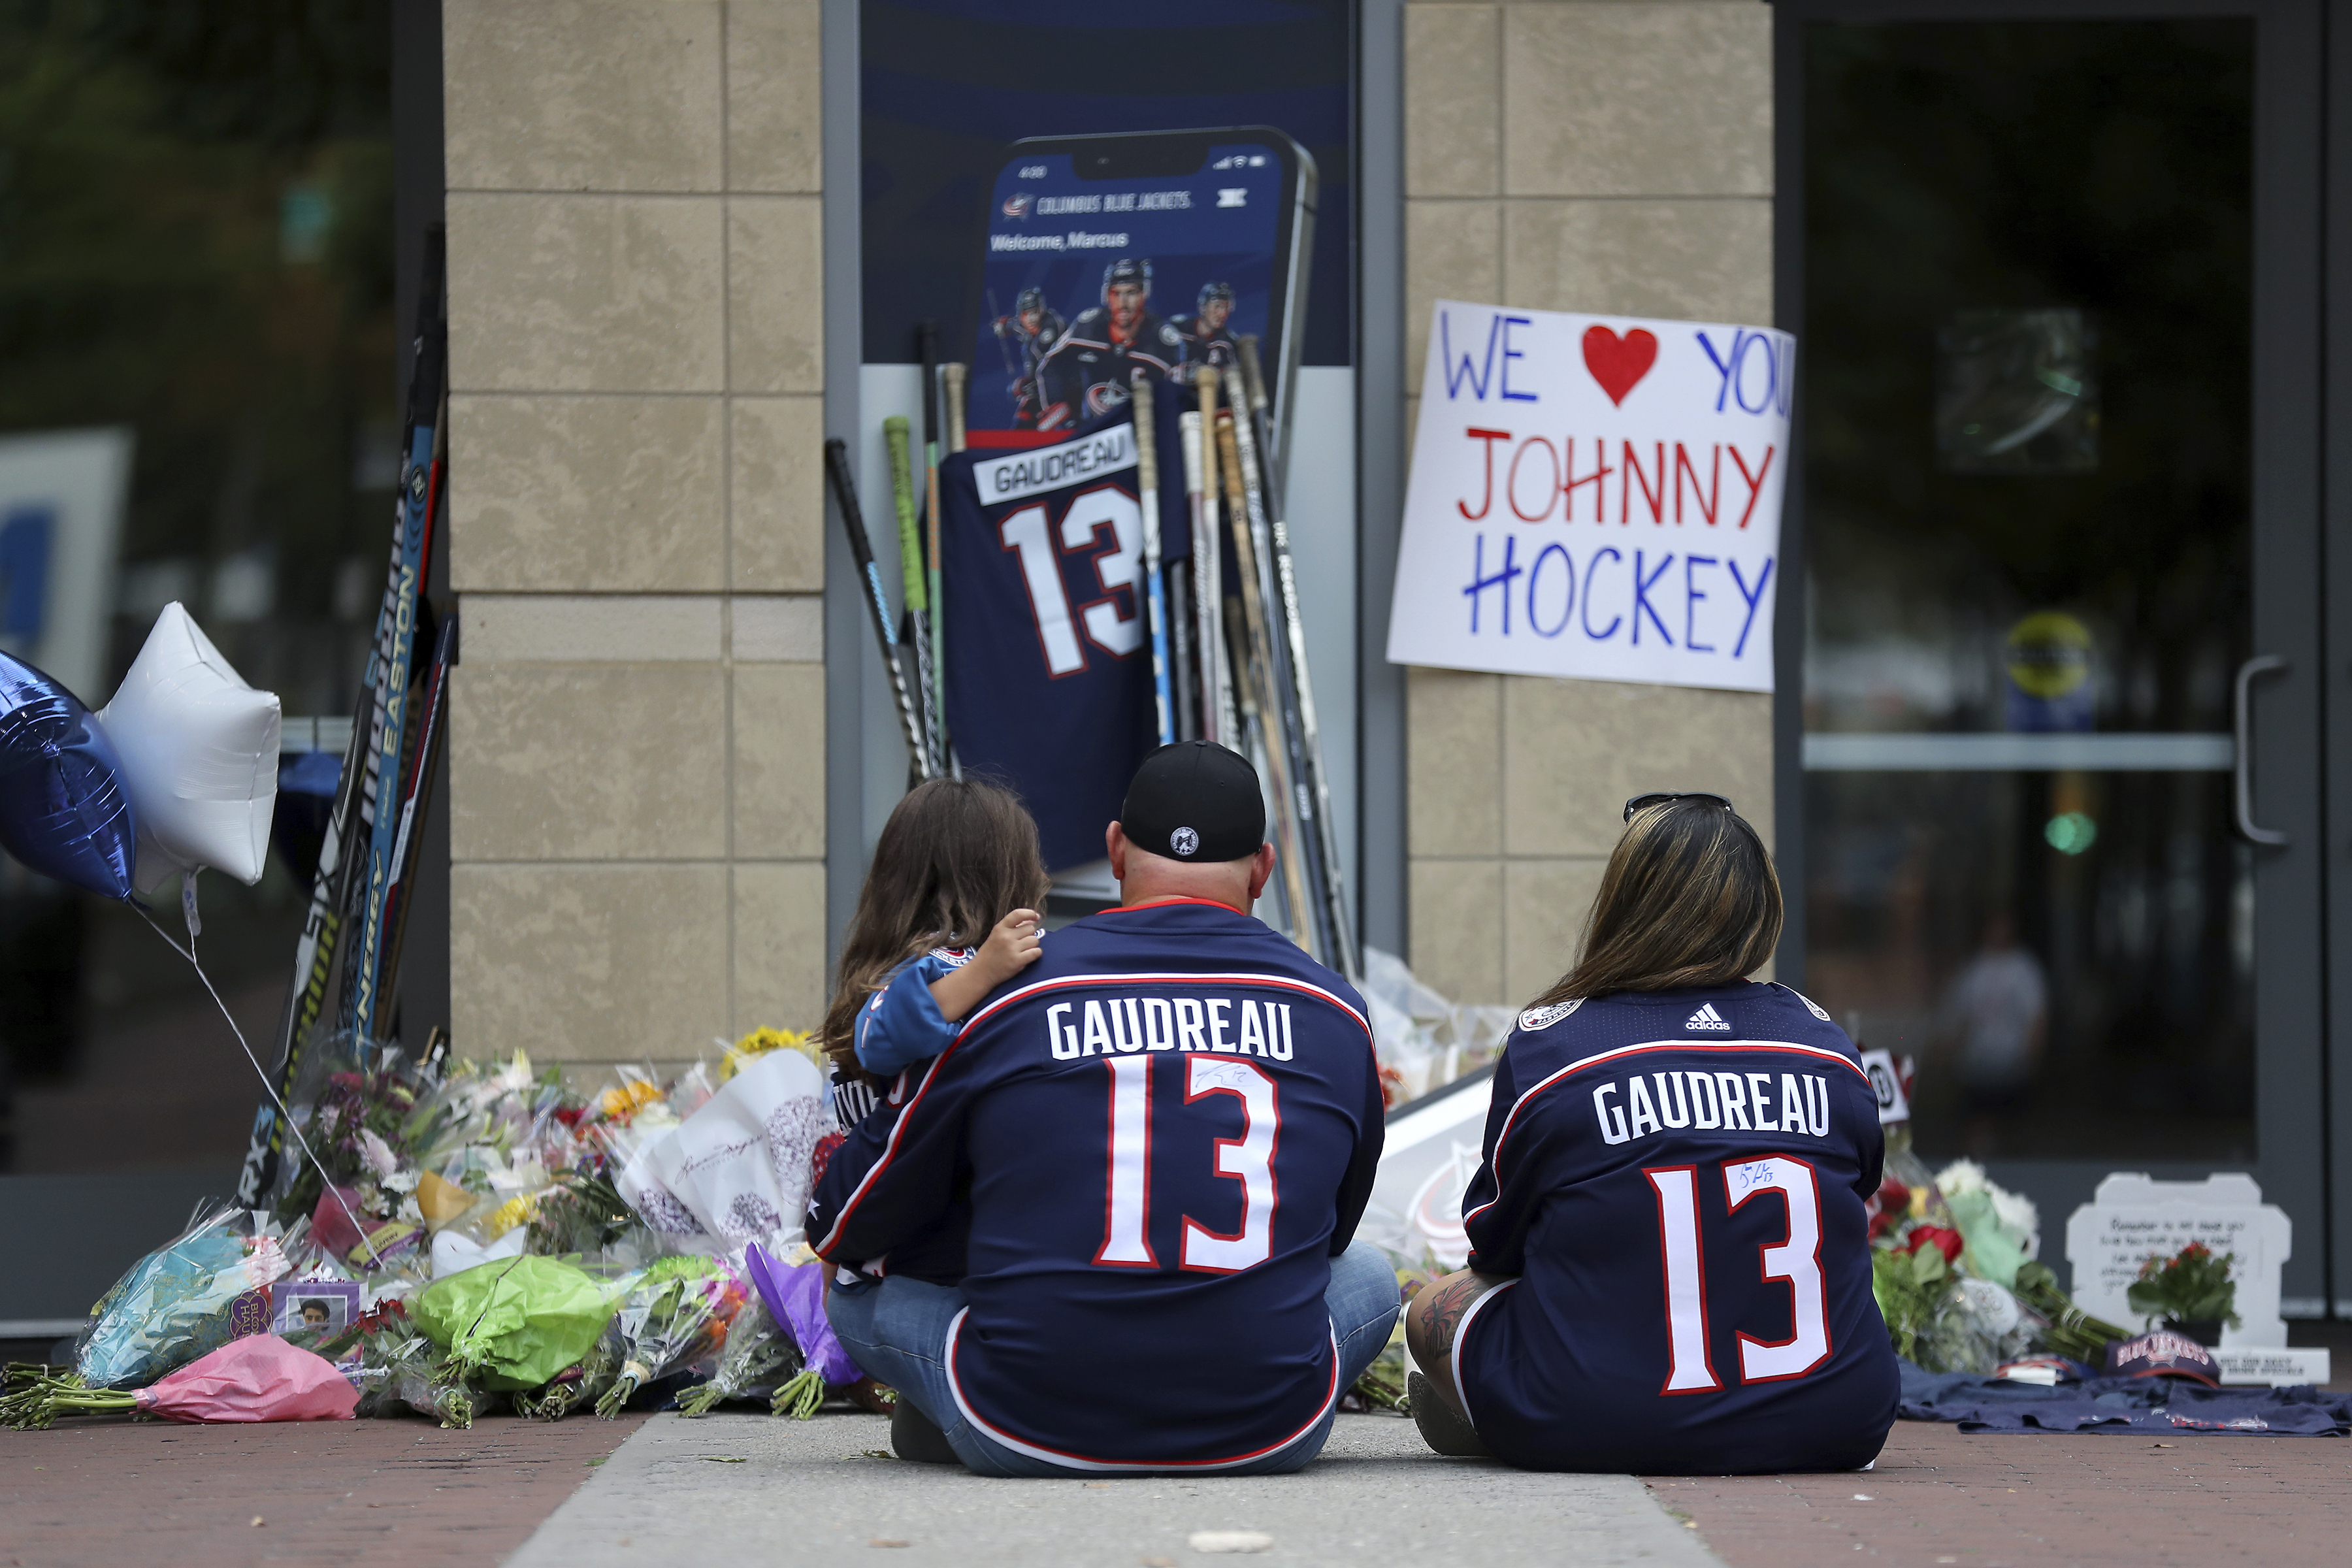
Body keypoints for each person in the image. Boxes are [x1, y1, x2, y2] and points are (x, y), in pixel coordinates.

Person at [814, 741, 1394, 1476]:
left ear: (1115, 851)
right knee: (1370, 1272)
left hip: (1020, 1425)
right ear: (1263, 868)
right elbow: (1332, 1232)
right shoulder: (1336, 1011)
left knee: (851, 1293)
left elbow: (842, 1224)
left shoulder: (1001, 990)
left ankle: (950, 1404)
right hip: (1269, 1428)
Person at [1403, 791, 1899, 1473]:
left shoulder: (1553, 1045)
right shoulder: (1828, 1047)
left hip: (1595, 1419)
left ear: (1625, 902)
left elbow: (1496, 1246)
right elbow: (1856, 1204)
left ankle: (1493, 1417)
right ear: (1762, 909)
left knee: (1436, 1303)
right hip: (1838, 1422)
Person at [819, 777, 1052, 1131]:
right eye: (1026, 863)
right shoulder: (947, 961)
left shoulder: (910, 961)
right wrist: (983, 972)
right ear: (996, 878)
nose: (1041, 875)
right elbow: (878, 1038)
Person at [1034, 257, 1183, 431]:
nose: (1123, 304)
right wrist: (1060, 403)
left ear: (1144, 294)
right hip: (1089, 434)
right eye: (1116, 293)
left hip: (1142, 435)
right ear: (1106, 295)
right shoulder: (1088, 327)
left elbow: (1176, 398)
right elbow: (1051, 364)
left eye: (1131, 293)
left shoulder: (1163, 341)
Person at [992, 286, 1067, 429]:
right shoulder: (1025, 327)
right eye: (1026, 314)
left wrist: (1026, 384)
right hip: (1040, 393)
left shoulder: (1053, 325)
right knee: (1019, 426)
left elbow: (1039, 358)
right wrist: (1005, 325)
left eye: (1035, 312)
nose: (1031, 319)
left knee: (1044, 430)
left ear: (1042, 309)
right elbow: (1015, 325)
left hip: (1064, 396)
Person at [1171, 280, 1237, 384]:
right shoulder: (1176, 329)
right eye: (1218, 306)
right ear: (1203, 307)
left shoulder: (1229, 344)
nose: (1223, 314)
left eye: (1227, 307)